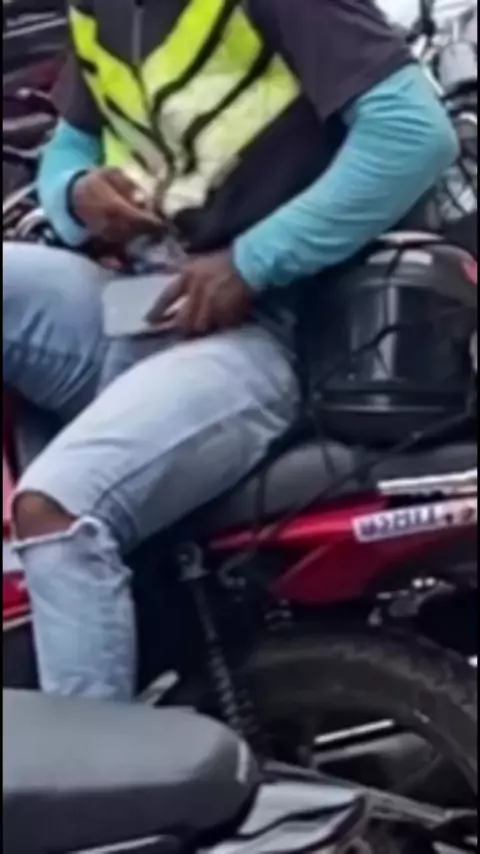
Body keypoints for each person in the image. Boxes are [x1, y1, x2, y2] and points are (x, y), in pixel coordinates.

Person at [5, 0, 459, 700]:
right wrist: (76, 191)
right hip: (149, 302)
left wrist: (253, 262)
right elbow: (71, 145)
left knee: (59, 512)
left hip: (277, 325)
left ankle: (92, 767)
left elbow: (413, 135)